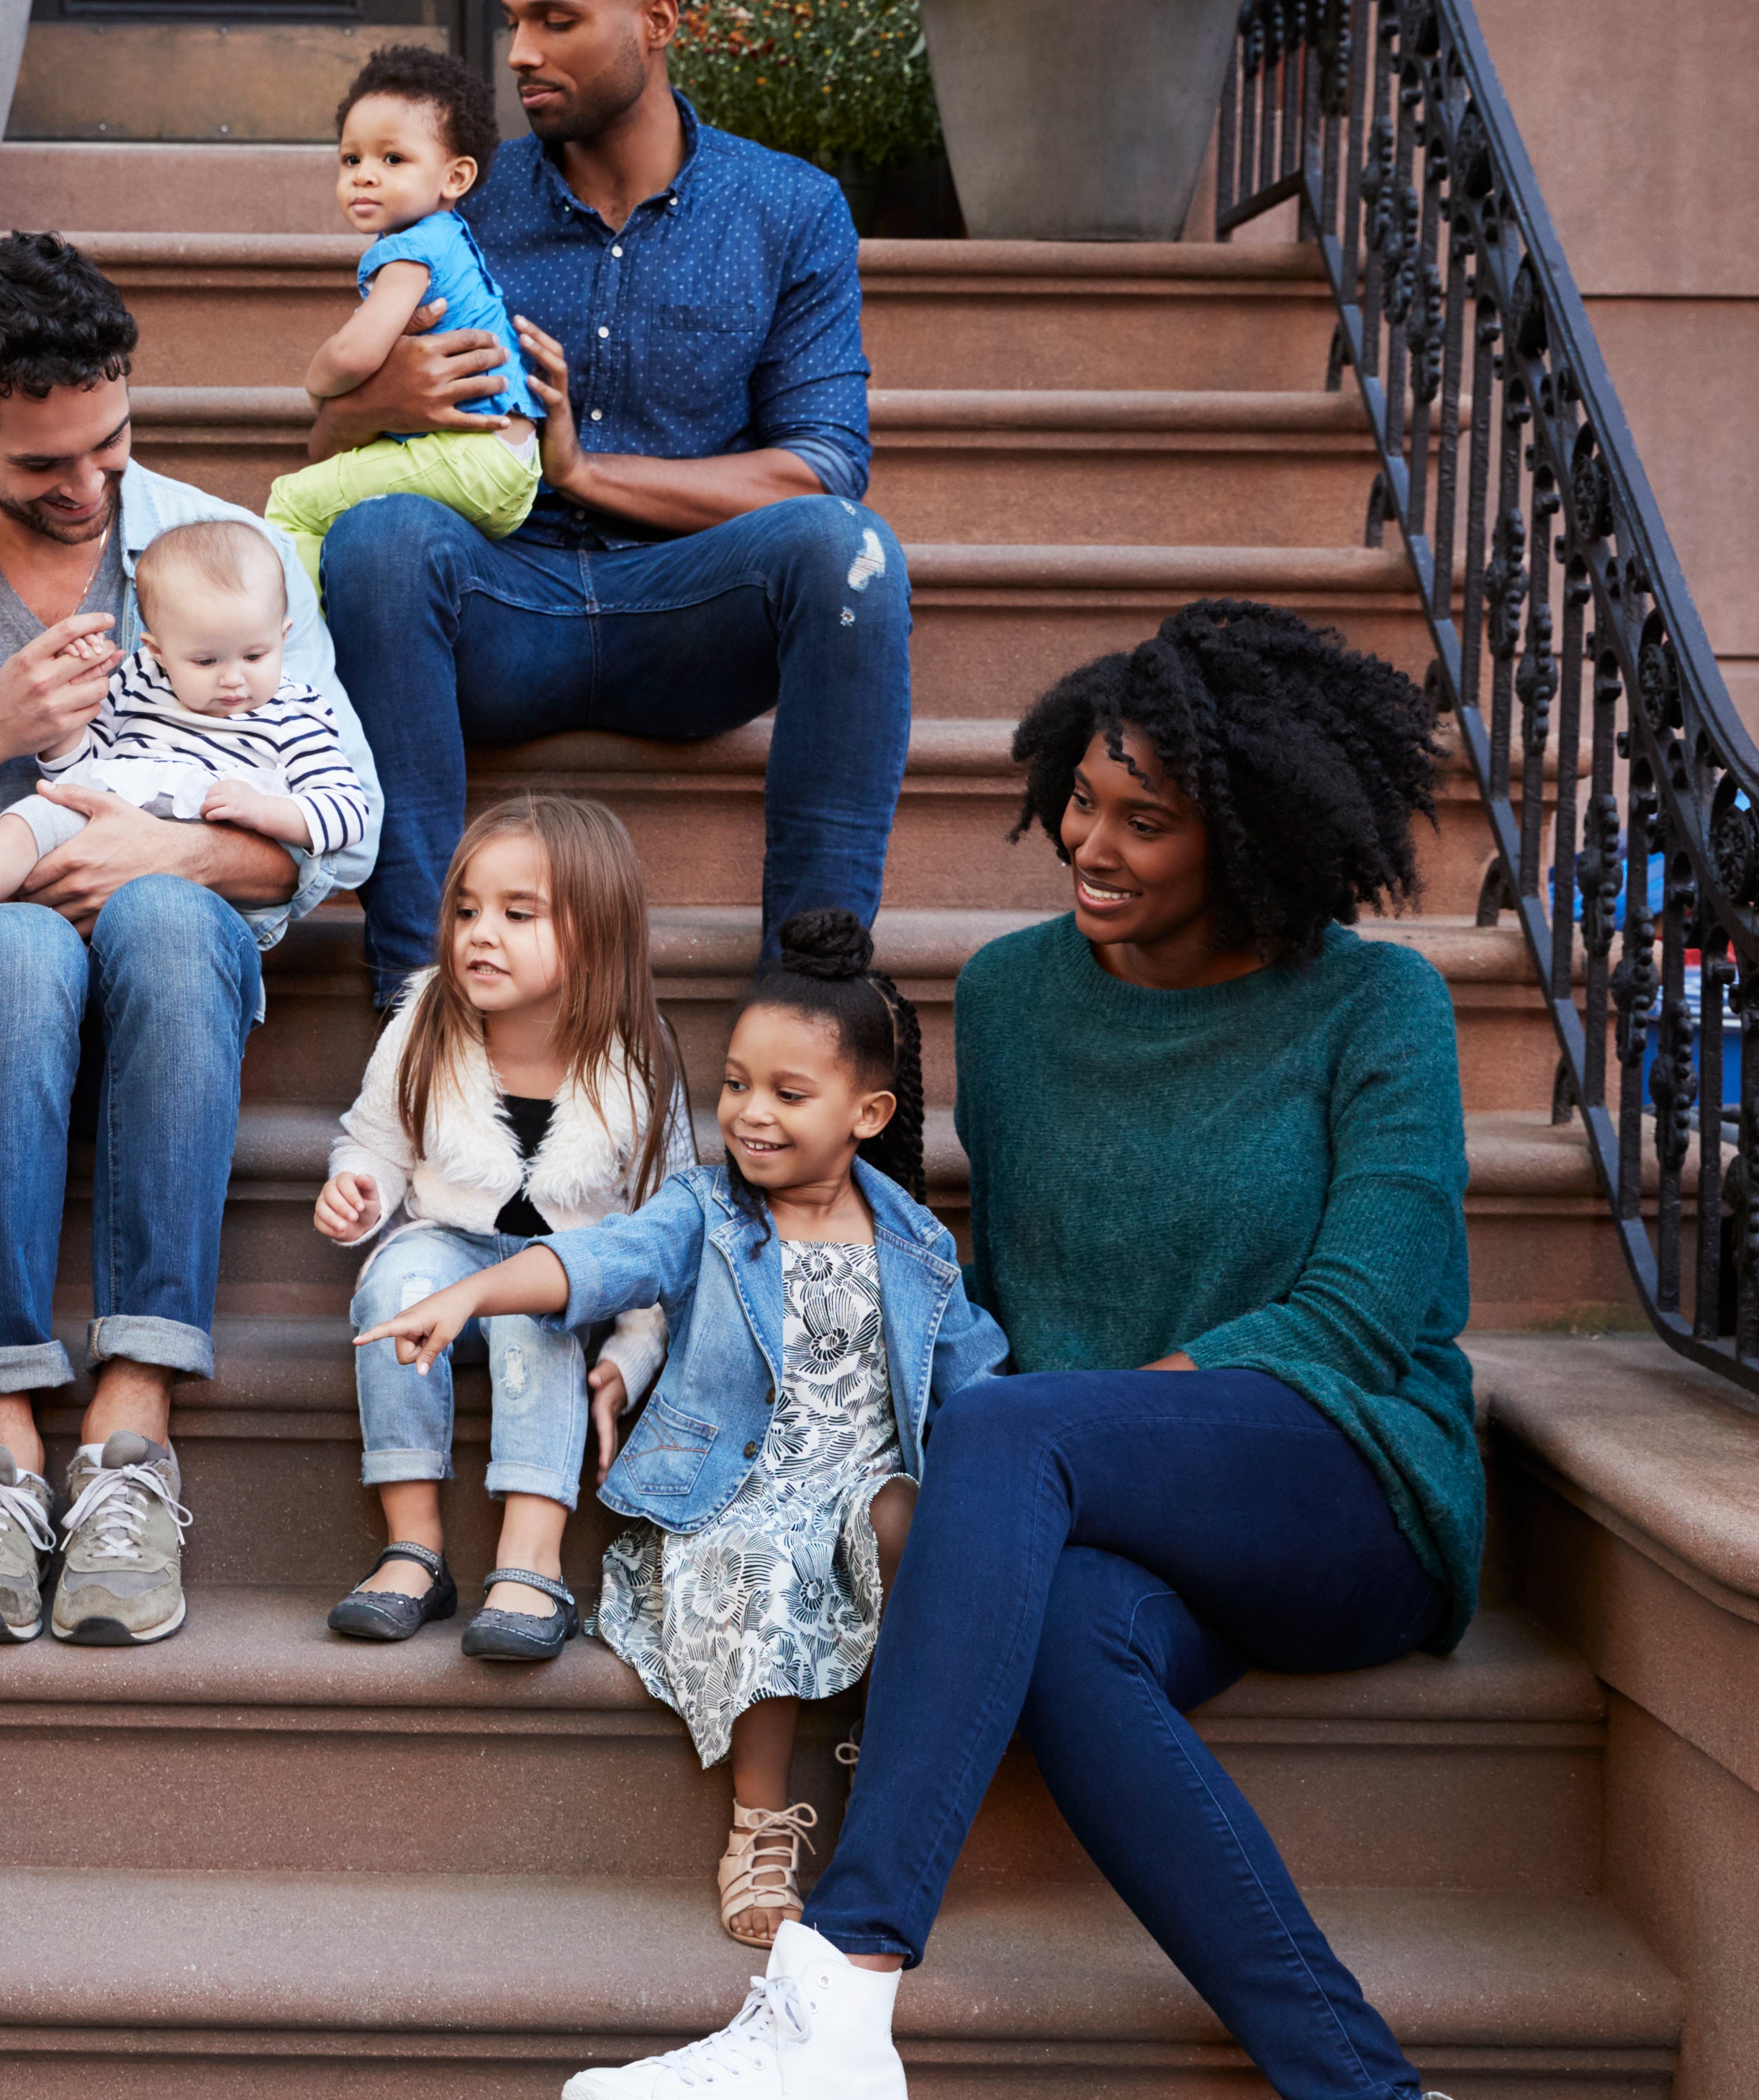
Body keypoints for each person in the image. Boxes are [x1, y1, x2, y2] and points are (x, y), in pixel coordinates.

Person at [565, 599, 1475, 2100]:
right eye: (1082, 797)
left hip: (1339, 1470)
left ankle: (845, 1986)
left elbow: (1361, 1308)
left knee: (1007, 1434)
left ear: (1254, 839)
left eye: (1148, 819)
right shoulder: (1008, 995)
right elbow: (976, 1278)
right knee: (1053, 1626)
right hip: (1092, 1497)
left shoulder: (1379, 1004)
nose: (1088, 841)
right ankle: (1364, 2088)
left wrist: (1072, 1436)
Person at [0, 232, 381, 1651]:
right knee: (12, 952)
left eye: (110, 445)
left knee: (170, 913)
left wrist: (159, 847)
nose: (89, 489)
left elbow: (340, 824)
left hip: (167, 951)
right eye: (45, 464)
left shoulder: (232, 549)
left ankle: (129, 1431)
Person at [360, 909, 1008, 1951]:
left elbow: (976, 1378)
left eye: (789, 1094)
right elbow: (597, 1259)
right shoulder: (704, 1212)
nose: (750, 1113)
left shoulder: (915, 1241)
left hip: (854, 1488)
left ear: (868, 1111)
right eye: (737, 1083)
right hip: (734, 1495)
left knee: (914, 1516)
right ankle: (758, 1825)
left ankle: (891, 1757)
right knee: (760, 1565)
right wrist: (473, 1294)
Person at [314, 0, 909, 1009]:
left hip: (689, 619)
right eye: (512, 22)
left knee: (848, 552)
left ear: (657, 25)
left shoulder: (788, 209)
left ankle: (814, 1000)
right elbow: (331, 438)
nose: (521, 53)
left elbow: (820, 463)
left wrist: (585, 470)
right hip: (499, 608)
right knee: (380, 538)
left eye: (556, 20)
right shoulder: (455, 212)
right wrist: (373, 398)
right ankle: (414, 1001)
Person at [318, 796, 677, 1660]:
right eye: (467, 909)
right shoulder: (425, 1022)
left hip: (561, 1270)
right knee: (394, 1283)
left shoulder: (634, 1058)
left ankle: (531, 1557)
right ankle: (413, 1546)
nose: (481, 932)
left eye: (518, 914)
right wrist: (353, 1190)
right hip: (443, 1250)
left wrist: (629, 1358)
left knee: (536, 1303)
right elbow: (371, 1140)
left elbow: (663, 1234)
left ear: (594, 934)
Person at [0, 521, 370, 962]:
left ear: (283, 635)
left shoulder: (295, 711)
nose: (234, 678)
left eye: (255, 656)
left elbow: (350, 813)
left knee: (24, 826)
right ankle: (33, 908)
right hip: (91, 826)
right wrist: (68, 729)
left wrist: (269, 811)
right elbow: (80, 775)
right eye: (205, 661)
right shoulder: (138, 681)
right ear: (158, 650)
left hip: (179, 867)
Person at [261, 44, 544, 590]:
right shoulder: (449, 237)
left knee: (291, 503)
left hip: (476, 456)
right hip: (509, 459)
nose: (365, 176)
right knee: (337, 511)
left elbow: (354, 354)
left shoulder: (410, 251)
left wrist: (317, 384)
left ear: (455, 178)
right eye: (352, 159)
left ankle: (298, 664)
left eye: (392, 159)